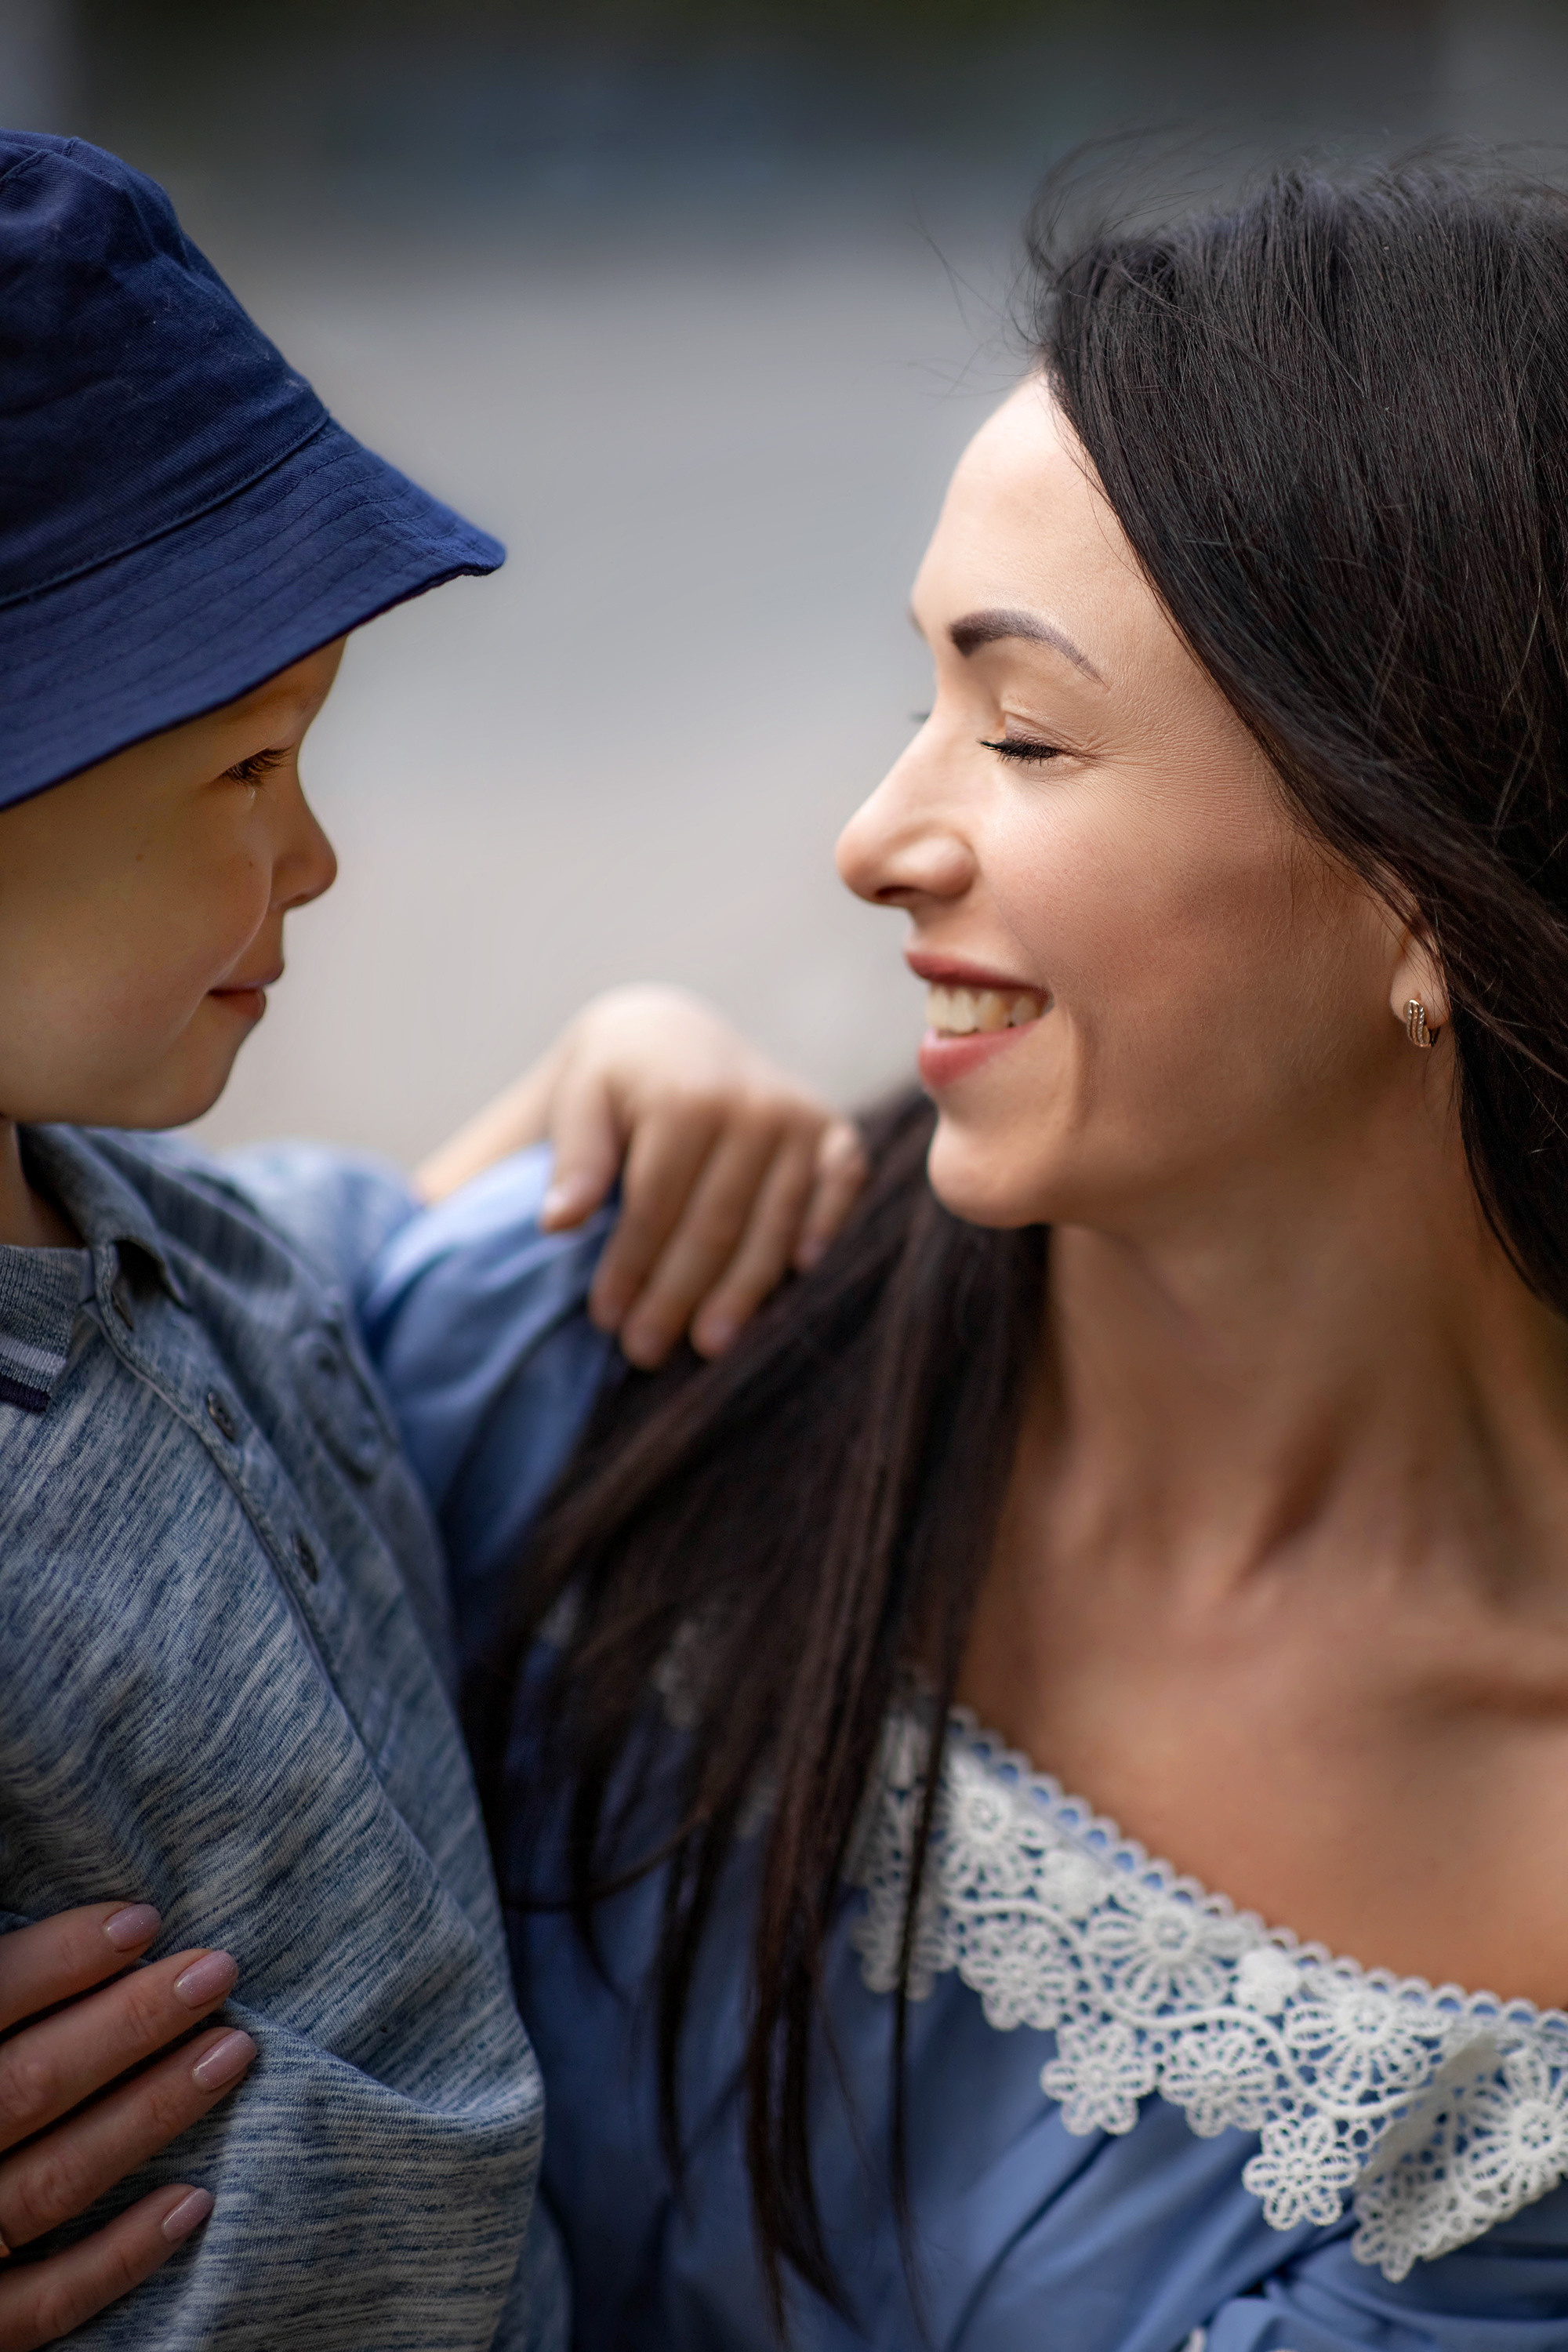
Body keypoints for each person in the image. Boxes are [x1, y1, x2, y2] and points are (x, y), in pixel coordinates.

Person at [367, 157, 1568, 2349]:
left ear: (1424, 884)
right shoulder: (642, 1334)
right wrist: (479, 1218)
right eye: (921, 699)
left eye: (1021, 733)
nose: (876, 836)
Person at [0, 129, 863, 2351]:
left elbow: (341, 1295)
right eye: (241, 775)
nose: (318, 868)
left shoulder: (163, 1241)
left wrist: (625, 1062)